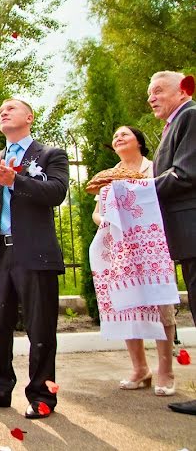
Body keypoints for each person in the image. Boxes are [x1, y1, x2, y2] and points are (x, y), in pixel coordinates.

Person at [0, 98, 68, 420]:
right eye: (0, 109)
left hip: (35, 253)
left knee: (41, 326)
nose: (3, 112)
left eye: (11, 108)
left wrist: (15, 181)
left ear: (29, 117)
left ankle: (42, 395)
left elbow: (57, 192)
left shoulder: (50, 155)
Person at [91, 125, 177, 395]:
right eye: (115, 136)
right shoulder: (110, 176)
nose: (118, 138)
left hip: (152, 245)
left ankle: (166, 370)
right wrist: (106, 221)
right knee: (126, 302)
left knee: (160, 304)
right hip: (120, 247)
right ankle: (140, 368)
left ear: (139, 142)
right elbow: (97, 211)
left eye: (124, 134)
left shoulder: (154, 169)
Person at [146, 71, 196, 417]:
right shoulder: (175, 123)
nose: (151, 98)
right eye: (149, 93)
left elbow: (185, 173)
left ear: (183, 90)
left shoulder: (190, 116)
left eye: (159, 91)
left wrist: (137, 191)